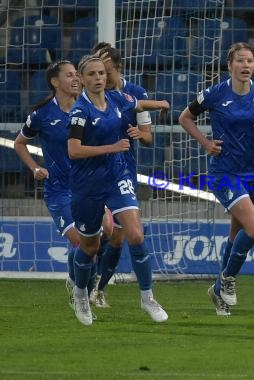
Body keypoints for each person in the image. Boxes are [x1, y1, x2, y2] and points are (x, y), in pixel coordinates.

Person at [179, 42, 254, 316]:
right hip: (224, 174)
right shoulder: (215, 93)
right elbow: (185, 117)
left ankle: (218, 292)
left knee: (237, 234)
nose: (246, 65)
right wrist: (205, 143)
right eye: (241, 61)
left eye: (250, 61)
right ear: (230, 65)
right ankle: (227, 280)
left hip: (252, 174)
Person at [67, 54, 169, 326]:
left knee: (135, 234)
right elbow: (74, 151)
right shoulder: (80, 111)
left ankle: (147, 297)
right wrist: (111, 147)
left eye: (101, 73)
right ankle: (80, 293)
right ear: (82, 79)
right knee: (89, 245)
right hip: (88, 183)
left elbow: (138, 103)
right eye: (92, 74)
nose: (98, 78)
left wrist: (160, 104)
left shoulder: (116, 98)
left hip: (118, 176)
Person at [13, 60, 113, 307]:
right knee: (81, 241)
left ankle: (79, 282)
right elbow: (19, 143)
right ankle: (82, 291)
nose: (76, 79)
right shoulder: (42, 114)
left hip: (89, 187)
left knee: (107, 234)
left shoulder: (89, 108)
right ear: (55, 82)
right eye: (69, 75)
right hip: (59, 191)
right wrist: (35, 167)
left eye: (76, 74)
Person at [87, 42, 155, 308]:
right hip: (91, 172)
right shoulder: (88, 96)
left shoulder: (136, 93)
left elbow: (149, 135)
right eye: (97, 72)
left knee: (118, 235)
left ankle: (99, 289)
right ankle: (82, 279)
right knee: (97, 232)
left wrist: (141, 134)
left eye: (106, 71)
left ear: (117, 67)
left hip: (123, 171)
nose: (102, 77)